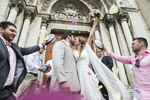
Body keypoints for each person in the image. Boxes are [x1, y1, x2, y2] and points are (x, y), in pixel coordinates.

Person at [73, 17, 130, 100]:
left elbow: (91, 35)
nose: (74, 40)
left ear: (80, 41)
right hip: (78, 72)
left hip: (86, 72)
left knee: (91, 90)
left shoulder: (86, 49)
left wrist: (95, 24)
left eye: (76, 39)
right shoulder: (73, 51)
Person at [0, 21, 46, 100]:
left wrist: (41, 44)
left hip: (7, 90)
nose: (14, 33)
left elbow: (26, 50)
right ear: (1, 29)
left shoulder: (13, 45)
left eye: (15, 32)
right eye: (11, 30)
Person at [50, 33, 80, 99]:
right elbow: (57, 62)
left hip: (73, 85)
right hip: (64, 84)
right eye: (73, 37)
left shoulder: (70, 48)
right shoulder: (59, 44)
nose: (74, 40)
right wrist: (63, 80)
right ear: (68, 37)